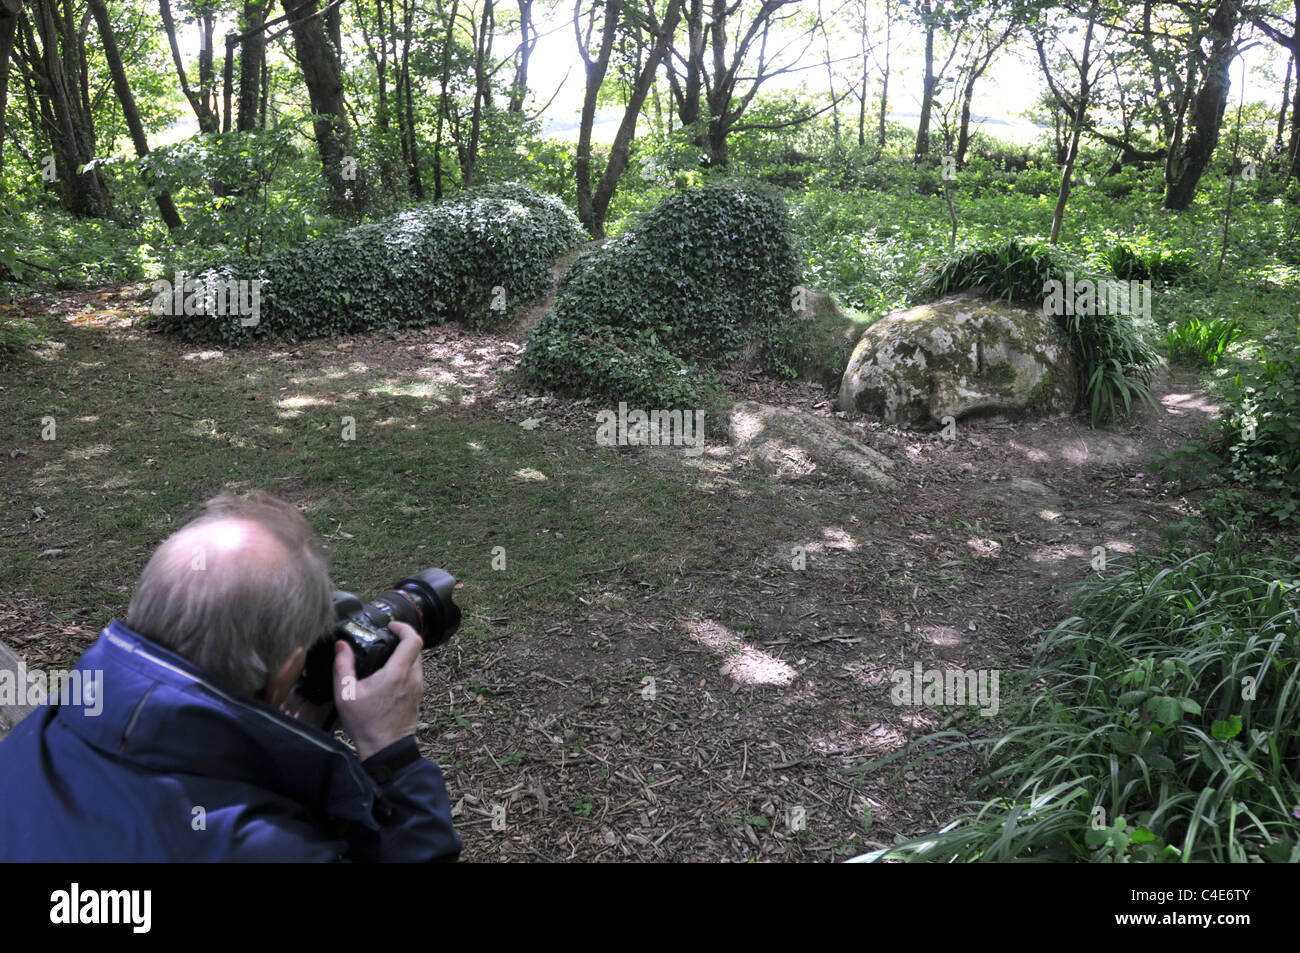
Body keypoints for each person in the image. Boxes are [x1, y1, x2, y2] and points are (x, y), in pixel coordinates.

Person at [0, 492, 461, 861]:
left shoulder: (38, 736)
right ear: (284, 674)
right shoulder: (274, 849)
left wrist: (280, 743)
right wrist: (392, 754)